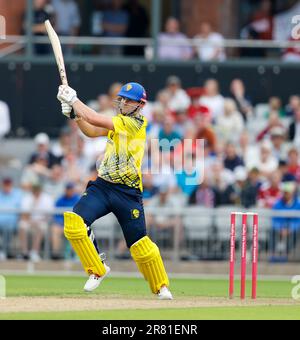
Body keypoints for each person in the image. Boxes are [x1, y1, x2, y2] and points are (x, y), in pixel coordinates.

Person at [57, 81, 172, 299]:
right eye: (122, 98)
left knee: (140, 246)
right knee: (74, 223)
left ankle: (161, 286)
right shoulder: (118, 123)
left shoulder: (135, 124)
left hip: (127, 193)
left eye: (128, 100)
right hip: (103, 186)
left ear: (140, 105)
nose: (123, 102)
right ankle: (97, 268)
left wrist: (74, 101)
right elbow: (91, 130)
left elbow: (93, 118)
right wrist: (74, 115)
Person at [51, 182, 80, 259]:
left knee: (74, 232)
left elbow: (80, 214)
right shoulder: (60, 200)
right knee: (55, 230)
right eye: (68, 189)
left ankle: (74, 255)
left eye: (71, 189)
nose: (69, 191)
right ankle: (56, 255)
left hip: (74, 224)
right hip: (62, 224)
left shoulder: (77, 199)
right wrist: (61, 223)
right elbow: (56, 214)